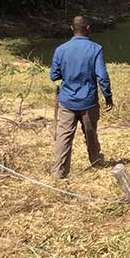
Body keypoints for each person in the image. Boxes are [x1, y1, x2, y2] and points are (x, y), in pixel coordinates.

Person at [49, 16, 113, 179]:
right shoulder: (96, 48)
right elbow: (102, 76)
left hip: (67, 101)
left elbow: (54, 75)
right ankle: (96, 162)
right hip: (88, 101)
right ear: (88, 29)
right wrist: (108, 97)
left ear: (72, 28)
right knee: (91, 133)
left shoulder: (60, 50)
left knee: (64, 136)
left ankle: (59, 172)